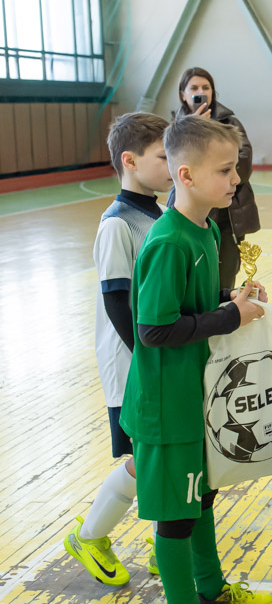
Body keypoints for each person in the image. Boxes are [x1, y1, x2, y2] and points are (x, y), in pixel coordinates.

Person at [118, 115, 272, 603]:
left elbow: (192, 303)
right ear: (185, 175)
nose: (236, 179)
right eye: (225, 170)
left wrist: (231, 297)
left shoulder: (203, 229)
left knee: (202, 499)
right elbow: (154, 329)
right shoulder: (169, 241)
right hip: (167, 409)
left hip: (195, 398)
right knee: (177, 519)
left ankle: (211, 590)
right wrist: (230, 317)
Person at [63, 113, 172, 587]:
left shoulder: (159, 214)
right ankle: (88, 536)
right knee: (147, 458)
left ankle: (164, 541)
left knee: (166, 451)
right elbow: (116, 302)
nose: (174, 164)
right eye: (164, 156)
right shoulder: (116, 224)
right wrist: (149, 356)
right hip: (133, 361)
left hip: (156, 357)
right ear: (130, 161)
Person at [173, 67, 261, 290]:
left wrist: (216, 172)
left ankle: (224, 310)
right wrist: (193, 129)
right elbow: (173, 167)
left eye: (206, 87)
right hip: (190, 214)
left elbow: (244, 164)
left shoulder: (230, 122)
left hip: (227, 217)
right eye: (194, 88)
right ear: (183, 94)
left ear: (213, 92)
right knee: (190, 279)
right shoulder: (175, 129)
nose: (200, 92)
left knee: (225, 278)